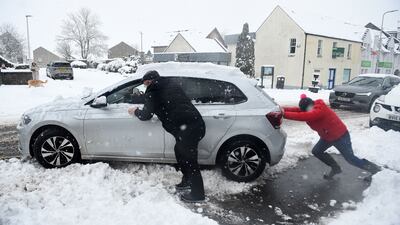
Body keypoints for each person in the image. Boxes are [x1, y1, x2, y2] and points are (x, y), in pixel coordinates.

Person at [128, 70, 206, 202]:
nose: (145, 86)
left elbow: (146, 115)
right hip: (193, 125)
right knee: (180, 152)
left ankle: (198, 195)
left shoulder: (153, 92)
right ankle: (187, 181)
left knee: (189, 161)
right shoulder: (169, 84)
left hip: (188, 129)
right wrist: (141, 97)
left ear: (149, 81)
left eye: (146, 84)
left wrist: (135, 111)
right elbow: (157, 98)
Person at [282, 94, 381, 180]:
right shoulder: (309, 109)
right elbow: (297, 110)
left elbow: (304, 116)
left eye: (309, 107)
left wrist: (283, 114)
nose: (309, 110)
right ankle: (336, 168)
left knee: (351, 159)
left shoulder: (319, 109)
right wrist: (281, 108)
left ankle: (375, 170)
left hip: (340, 136)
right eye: (306, 109)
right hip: (327, 137)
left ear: (312, 104)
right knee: (317, 151)